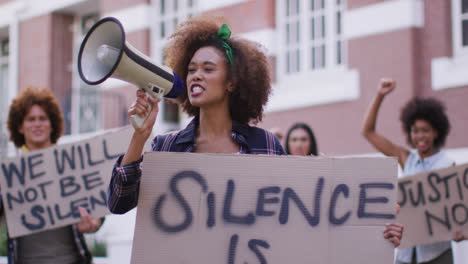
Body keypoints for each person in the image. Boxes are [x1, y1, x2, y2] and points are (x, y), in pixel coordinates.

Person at [107, 15, 403, 248]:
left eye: (208, 69)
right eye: (192, 68)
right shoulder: (166, 146)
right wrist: (139, 137)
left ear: (232, 82)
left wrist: (374, 227)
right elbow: (119, 202)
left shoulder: (266, 145)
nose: (196, 74)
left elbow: (302, 217)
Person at [361, 78, 465, 264]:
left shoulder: (448, 166)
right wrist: (379, 96)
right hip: (406, 254)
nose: (420, 136)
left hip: (438, 255)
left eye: (425, 130)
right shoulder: (405, 158)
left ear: (436, 132)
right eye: (415, 131)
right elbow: (368, 132)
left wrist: (460, 231)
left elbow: (456, 212)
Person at [0, 87, 103, 264]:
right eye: (31, 119)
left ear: (51, 124)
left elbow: (96, 208)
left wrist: (95, 224)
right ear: (20, 127)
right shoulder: (9, 176)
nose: (37, 124)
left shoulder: (72, 167)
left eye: (43, 118)